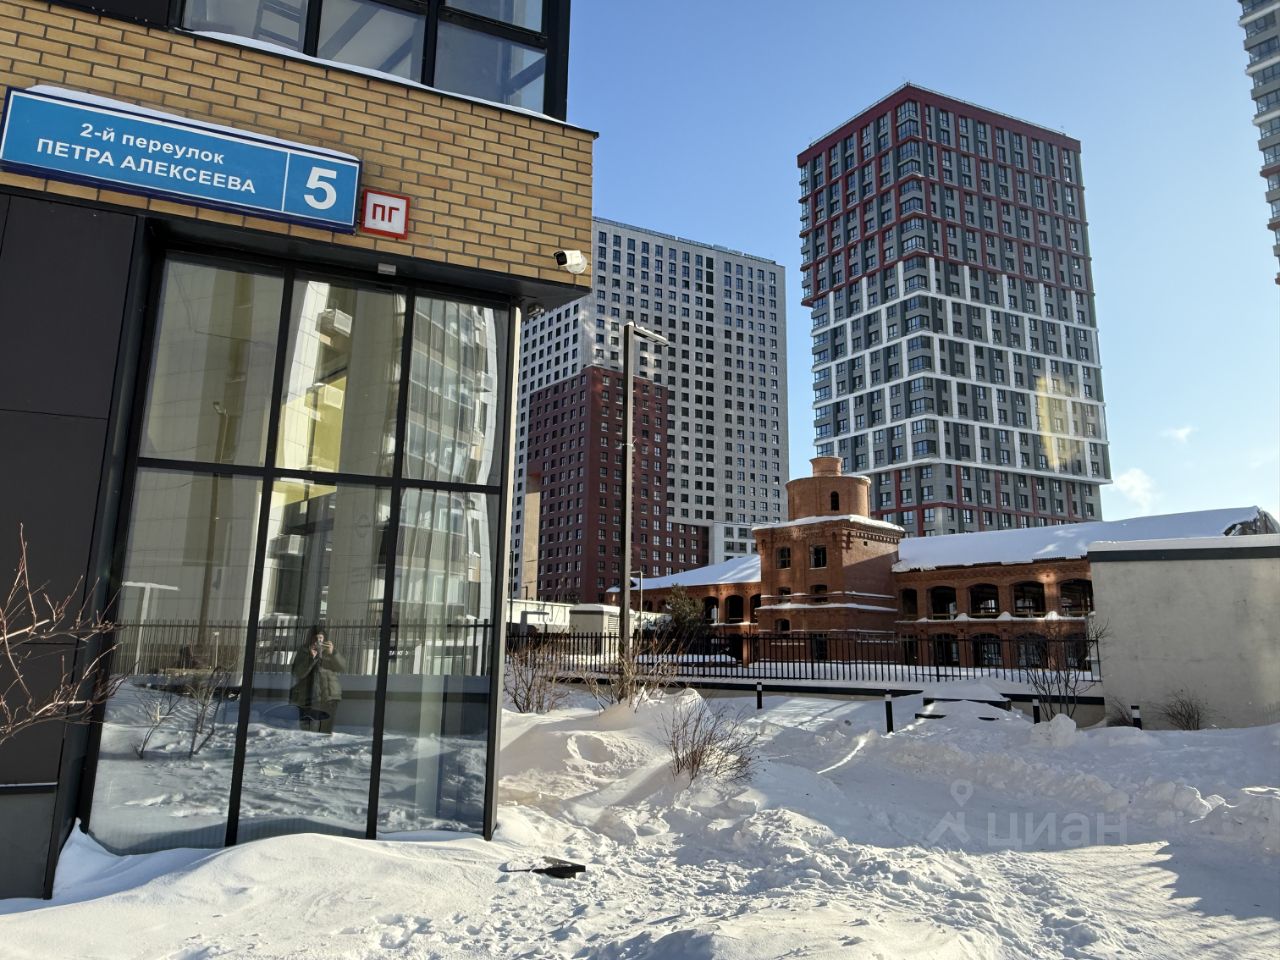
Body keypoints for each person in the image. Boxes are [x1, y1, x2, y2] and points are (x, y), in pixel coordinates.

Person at [290, 625, 346, 733]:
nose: (318, 641)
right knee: (306, 731)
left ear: (324, 639)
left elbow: (342, 668)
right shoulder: (304, 651)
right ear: (310, 639)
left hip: (328, 697)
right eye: (315, 638)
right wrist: (311, 658)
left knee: (325, 731)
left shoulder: (329, 651)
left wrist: (333, 653)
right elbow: (298, 673)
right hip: (307, 697)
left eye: (320, 638)